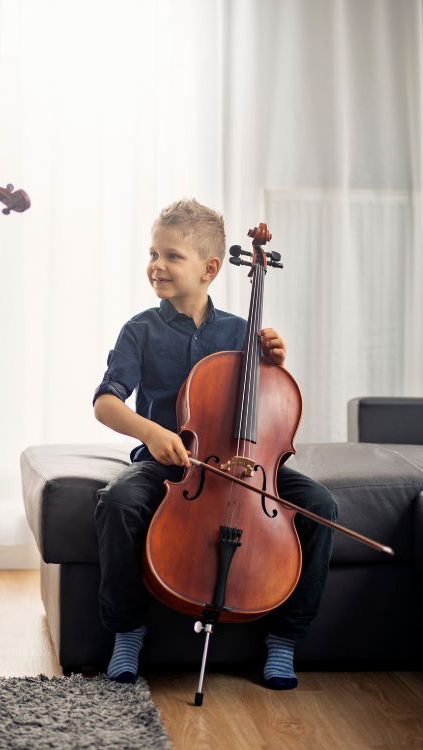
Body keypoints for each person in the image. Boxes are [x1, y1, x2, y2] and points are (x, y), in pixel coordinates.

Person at [92, 199, 337, 688]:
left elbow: (268, 411)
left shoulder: (240, 332)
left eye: (171, 256)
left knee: (320, 506)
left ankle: (284, 639)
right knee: (117, 502)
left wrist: (274, 365)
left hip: (244, 466)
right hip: (171, 466)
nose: (156, 265)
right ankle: (127, 632)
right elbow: (106, 402)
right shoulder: (140, 330)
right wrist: (153, 433)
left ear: (210, 268)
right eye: (152, 253)